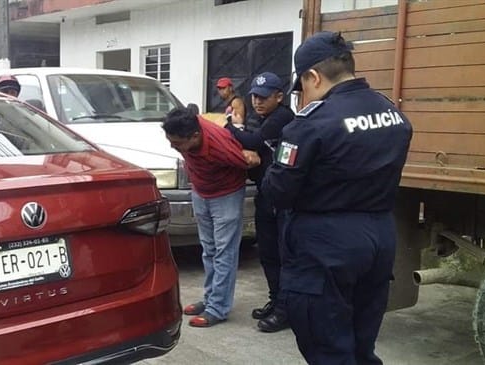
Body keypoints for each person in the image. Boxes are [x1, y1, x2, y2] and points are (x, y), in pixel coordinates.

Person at [262, 31, 413, 364]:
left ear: (313, 76)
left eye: (301, 87)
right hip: (379, 237)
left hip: (326, 245)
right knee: (362, 344)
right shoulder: (391, 113)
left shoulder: (312, 124)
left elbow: (278, 191)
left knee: (327, 348)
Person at [162, 106, 258, 328]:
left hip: (226, 195)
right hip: (201, 191)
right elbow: (207, 116)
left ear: (195, 136)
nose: (173, 146)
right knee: (209, 249)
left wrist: (251, 155)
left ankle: (218, 307)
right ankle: (209, 298)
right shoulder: (192, 127)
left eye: (177, 143)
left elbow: (252, 162)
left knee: (225, 252)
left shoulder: (221, 146)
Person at [225, 71, 294, 333]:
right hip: (267, 194)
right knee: (267, 253)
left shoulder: (282, 118)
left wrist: (232, 127)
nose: (257, 101)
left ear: (279, 96)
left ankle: (285, 310)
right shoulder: (265, 118)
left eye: (264, 97)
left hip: (282, 199)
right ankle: (276, 301)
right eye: (254, 96)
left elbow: (252, 141)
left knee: (282, 254)